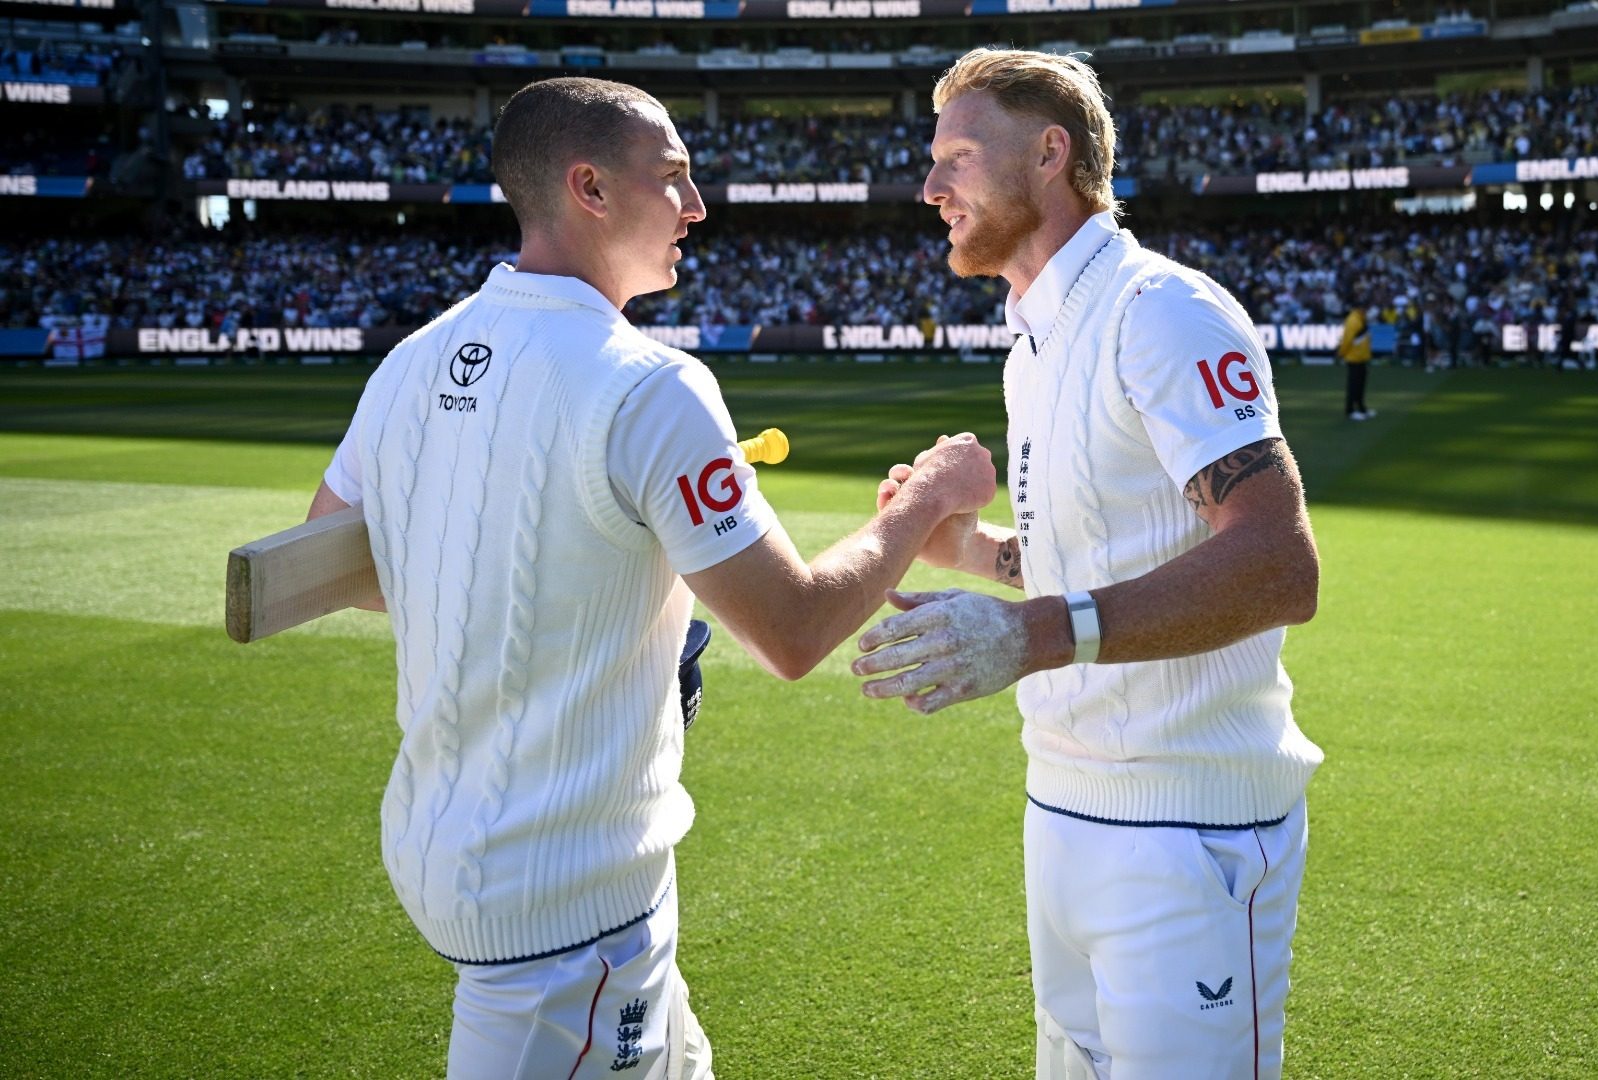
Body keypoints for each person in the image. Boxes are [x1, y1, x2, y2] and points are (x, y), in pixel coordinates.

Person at [305, 76, 996, 1079]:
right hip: (564, 904)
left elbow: (344, 560)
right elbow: (793, 629)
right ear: (588, 188)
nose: (696, 206)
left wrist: (586, 587)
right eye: (672, 176)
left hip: (456, 850)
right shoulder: (651, 384)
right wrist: (926, 498)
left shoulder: (414, 360)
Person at [849, 48, 1323, 1080]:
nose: (928, 189)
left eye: (957, 157)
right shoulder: (1033, 337)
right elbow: (1117, 550)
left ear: (1048, 153)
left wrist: (1028, 636)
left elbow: (1276, 564)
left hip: (1188, 826)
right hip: (1061, 807)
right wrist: (969, 551)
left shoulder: (1160, 310)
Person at [1337, 297, 1374, 419]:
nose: (1366, 310)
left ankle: (1361, 408)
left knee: (1360, 385)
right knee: (1353, 385)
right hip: (1354, 358)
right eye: (1364, 307)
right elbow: (1347, 340)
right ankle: (1350, 410)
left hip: (1361, 357)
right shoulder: (1353, 320)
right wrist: (1341, 354)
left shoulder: (1361, 319)